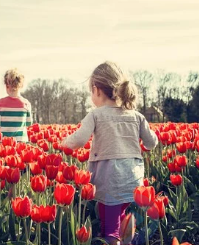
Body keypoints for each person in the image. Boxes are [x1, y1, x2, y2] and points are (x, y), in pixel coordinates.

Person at [61, 61, 158, 245]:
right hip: (133, 179)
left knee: (110, 224)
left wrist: (64, 143)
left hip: (110, 178)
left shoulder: (96, 115)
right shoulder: (136, 116)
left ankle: (116, 241)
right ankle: (128, 239)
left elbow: (80, 139)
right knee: (122, 213)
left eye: (91, 92)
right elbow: (151, 143)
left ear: (97, 90)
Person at [0, 68, 33, 142]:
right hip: (21, 141)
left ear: (6, 86)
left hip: (4, 141)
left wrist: (0, 127)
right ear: (22, 86)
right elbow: (29, 122)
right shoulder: (26, 103)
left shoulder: (0, 103)